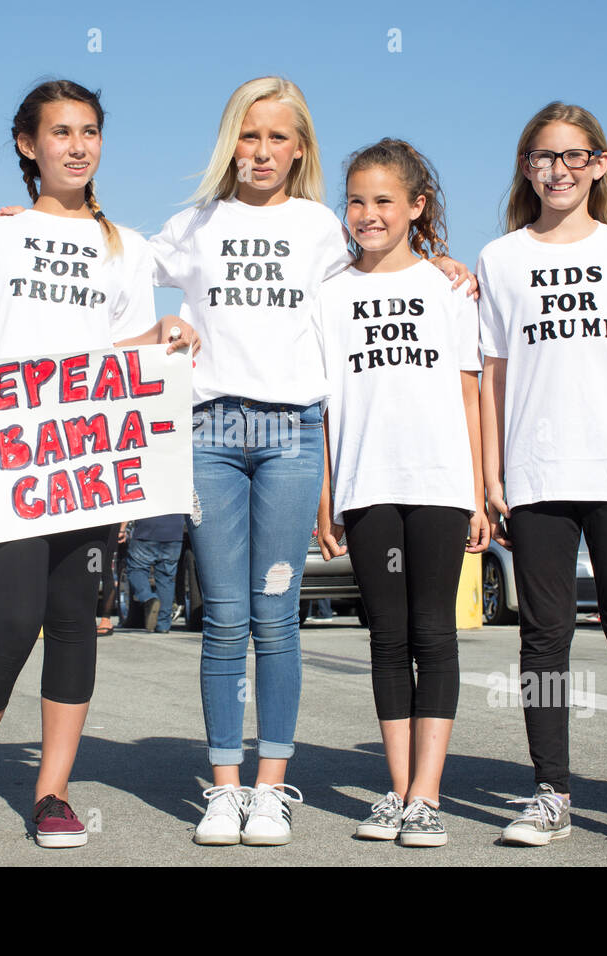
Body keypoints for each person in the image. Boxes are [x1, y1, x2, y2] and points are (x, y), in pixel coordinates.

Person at [149, 77, 472, 847]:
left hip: (293, 434)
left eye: (276, 138)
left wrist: (446, 264)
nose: (260, 152)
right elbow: (113, 271)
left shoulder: (322, 229)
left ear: (300, 149)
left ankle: (272, 787)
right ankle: (223, 788)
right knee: (224, 618)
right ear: (231, 142)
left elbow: (383, 265)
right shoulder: (193, 224)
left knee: (276, 616)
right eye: (248, 136)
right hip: (211, 434)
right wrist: (30, 217)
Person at [0, 79, 197, 854]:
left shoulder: (124, 245)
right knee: (14, 618)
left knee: (75, 626)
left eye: (89, 130)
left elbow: (119, 362)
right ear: (28, 145)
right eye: (60, 132)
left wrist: (163, 336)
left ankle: (52, 792)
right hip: (8, 469)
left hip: (88, 463)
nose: (78, 145)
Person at [477, 103, 607, 851]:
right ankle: (550, 792)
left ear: (599, 163)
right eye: (542, 157)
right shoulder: (499, 258)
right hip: (535, 475)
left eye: (573, 156)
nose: (557, 170)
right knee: (545, 639)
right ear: (525, 167)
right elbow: (491, 375)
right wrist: (490, 472)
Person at [316, 139, 489, 847]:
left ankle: (427, 795)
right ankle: (394, 791)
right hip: (367, 483)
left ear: (417, 207)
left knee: (433, 633)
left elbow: (470, 392)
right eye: (356, 200)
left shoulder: (448, 288)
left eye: (384, 200)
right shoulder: (328, 292)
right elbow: (323, 406)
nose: (368, 213)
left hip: (441, 484)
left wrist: (480, 494)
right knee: (386, 637)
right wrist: (327, 497)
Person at [125, 515, 184, 633]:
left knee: (136, 569)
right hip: (174, 532)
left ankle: (148, 597)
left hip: (147, 530)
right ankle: (163, 625)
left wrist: (122, 527)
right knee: (166, 579)